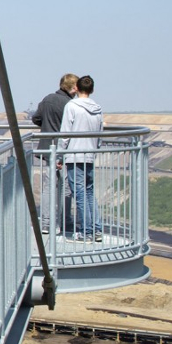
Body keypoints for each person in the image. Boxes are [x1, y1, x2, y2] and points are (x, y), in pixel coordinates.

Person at [29, 74, 77, 232]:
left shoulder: (48, 99)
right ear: (73, 87)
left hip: (48, 146)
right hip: (64, 149)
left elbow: (36, 118)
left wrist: (47, 127)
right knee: (66, 187)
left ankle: (46, 223)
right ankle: (65, 221)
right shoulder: (71, 104)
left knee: (48, 186)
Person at [59, 75, 105, 241]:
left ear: (76, 88)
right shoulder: (98, 108)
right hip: (90, 155)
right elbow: (100, 133)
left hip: (74, 155)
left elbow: (65, 133)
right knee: (89, 193)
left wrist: (59, 155)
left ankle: (86, 232)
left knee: (79, 195)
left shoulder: (72, 106)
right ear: (92, 90)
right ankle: (97, 230)